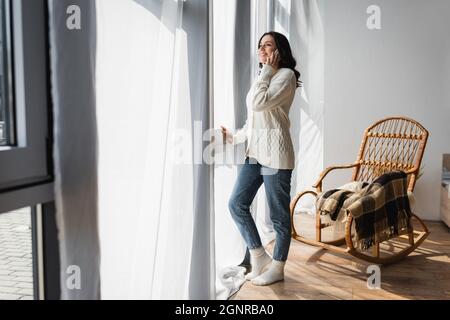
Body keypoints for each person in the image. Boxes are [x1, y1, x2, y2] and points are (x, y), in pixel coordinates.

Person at [221, 31, 301, 286]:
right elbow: (255, 118)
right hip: (255, 155)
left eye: (268, 46)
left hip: (276, 157)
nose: (262, 50)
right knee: (236, 204)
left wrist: (266, 70)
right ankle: (259, 256)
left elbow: (258, 103)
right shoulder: (263, 76)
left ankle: (277, 267)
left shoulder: (285, 76)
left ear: (280, 51)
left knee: (279, 217)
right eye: (260, 46)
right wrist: (234, 137)